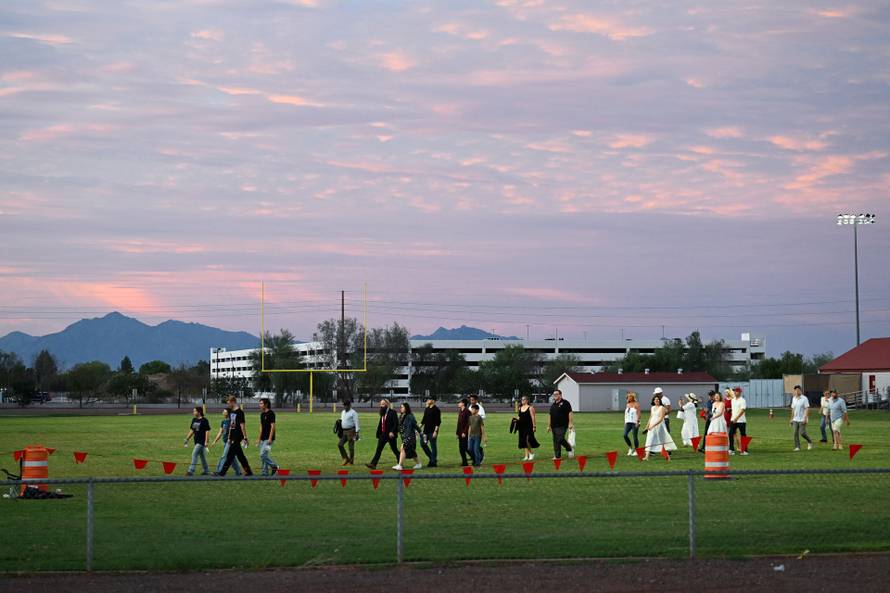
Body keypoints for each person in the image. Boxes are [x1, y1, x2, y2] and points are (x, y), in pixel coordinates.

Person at [214, 395, 254, 476]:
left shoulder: (240, 412)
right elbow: (232, 426)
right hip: (233, 436)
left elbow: (242, 426)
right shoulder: (232, 412)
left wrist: (245, 438)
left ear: (233, 402)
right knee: (240, 456)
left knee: (230, 454)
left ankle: (222, 472)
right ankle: (248, 471)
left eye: (229, 403)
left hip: (238, 436)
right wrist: (229, 437)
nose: (228, 404)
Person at [366, 399, 400, 469]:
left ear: (387, 404)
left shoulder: (393, 412)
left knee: (394, 450)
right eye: (381, 404)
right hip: (383, 435)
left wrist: (392, 432)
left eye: (383, 404)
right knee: (378, 449)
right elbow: (381, 423)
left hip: (391, 435)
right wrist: (379, 433)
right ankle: (373, 464)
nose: (381, 405)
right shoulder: (382, 412)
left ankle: (400, 461)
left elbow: (396, 423)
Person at [643, 394, 676, 460]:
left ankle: (667, 456)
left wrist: (653, 425)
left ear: (659, 400)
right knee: (649, 439)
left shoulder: (662, 408)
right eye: (655, 400)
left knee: (661, 441)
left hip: (659, 426)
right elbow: (651, 417)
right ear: (653, 401)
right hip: (651, 426)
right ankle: (646, 457)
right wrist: (647, 426)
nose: (656, 400)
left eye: (658, 399)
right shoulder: (652, 407)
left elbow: (661, 419)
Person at [210, 407, 241, 476]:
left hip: (230, 442)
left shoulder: (232, 421)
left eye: (224, 411)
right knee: (232, 458)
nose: (223, 412)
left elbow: (235, 431)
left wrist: (232, 440)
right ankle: (238, 472)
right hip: (225, 442)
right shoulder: (223, 422)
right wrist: (215, 441)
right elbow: (220, 432)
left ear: (228, 413)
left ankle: (218, 471)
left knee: (224, 456)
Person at [393, 402, 422, 470]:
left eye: (402, 407)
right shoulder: (400, 416)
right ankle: (418, 464)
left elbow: (415, 426)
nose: (401, 408)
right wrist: (393, 432)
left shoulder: (410, 416)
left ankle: (400, 465)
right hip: (404, 436)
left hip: (410, 436)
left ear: (406, 408)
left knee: (402, 448)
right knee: (411, 451)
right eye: (400, 407)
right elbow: (398, 427)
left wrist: (420, 433)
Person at [547, 389, 574, 460]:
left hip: (562, 425)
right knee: (555, 441)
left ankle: (569, 448)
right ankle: (557, 456)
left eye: (556, 394)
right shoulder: (553, 405)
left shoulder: (565, 403)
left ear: (560, 395)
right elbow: (550, 415)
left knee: (560, 439)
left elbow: (570, 413)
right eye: (554, 394)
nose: (555, 395)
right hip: (554, 426)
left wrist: (570, 423)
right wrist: (549, 426)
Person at [183, 406, 210, 476]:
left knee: (194, 454)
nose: (193, 412)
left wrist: (206, 441)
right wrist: (187, 439)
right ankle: (206, 470)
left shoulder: (204, 420)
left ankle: (191, 471)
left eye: (194, 411)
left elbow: (207, 431)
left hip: (201, 441)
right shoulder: (194, 420)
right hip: (196, 440)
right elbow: (192, 430)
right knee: (202, 456)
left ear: (199, 412)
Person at [256, 398, 279, 476]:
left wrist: (270, 438)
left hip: (268, 438)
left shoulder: (271, 413)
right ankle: (264, 473)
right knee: (264, 455)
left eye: (261, 403)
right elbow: (261, 427)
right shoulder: (262, 414)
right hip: (263, 438)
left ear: (266, 404)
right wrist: (259, 438)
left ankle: (274, 466)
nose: (260, 405)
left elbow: (273, 426)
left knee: (262, 454)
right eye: (260, 403)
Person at [515, 395, 540, 461]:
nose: (522, 400)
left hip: (529, 426)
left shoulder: (530, 408)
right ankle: (526, 456)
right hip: (521, 427)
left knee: (527, 440)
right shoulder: (520, 408)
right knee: (523, 441)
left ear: (527, 400)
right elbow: (519, 417)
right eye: (522, 399)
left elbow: (533, 418)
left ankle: (531, 453)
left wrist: (534, 426)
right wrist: (516, 420)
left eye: (524, 399)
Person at [789, 385, 813, 451]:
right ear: (794, 391)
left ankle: (810, 441)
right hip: (795, 419)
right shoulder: (794, 398)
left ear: (800, 390)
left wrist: (805, 418)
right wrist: (791, 418)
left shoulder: (804, 398)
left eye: (798, 390)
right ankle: (797, 447)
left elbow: (807, 408)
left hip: (802, 418)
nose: (797, 391)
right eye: (796, 390)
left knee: (802, 433)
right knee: (795, 433)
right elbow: (793, 409)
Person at [419, 397, 441, 467]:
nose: (427, 401)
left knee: (433, 446)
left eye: (429, 399)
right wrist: (418, 428)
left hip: (432, 432)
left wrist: (435, 432)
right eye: (427, 400)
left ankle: (433, 462)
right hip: (425, 432)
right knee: (422, 444)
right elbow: (423, 421)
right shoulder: (427, 409)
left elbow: (438, 422)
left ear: (433, 401)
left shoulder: (436, 410)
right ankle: (432, 458)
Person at [338, 399, 360, 466]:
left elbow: (356, 423)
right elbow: (342, 420)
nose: (345, 407)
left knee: (351, 447)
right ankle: (346, 458)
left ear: (349, 405)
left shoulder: (353, 413)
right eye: (344, 405)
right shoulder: (343, 412)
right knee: (340, 444)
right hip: (344, 431)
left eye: (346, 405)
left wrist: (357, 432)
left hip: (351, 431)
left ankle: (351, 461)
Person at [729, 387, 748, 456]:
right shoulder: (733, 400)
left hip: (741, 421)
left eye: (736, 391)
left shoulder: (742, 400)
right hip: (733, 420)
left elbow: (742, 410)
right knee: (730, 434)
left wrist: (736, 418)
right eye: (734, 391)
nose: (735, 392)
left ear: (740, 392)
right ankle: (731, 449)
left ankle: (744, 450)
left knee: (743, 435)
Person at [455, 398, 471, 466]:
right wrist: (457, 433)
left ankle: (476, 458)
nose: (458, 403)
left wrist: (464, 432)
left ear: (463, 404)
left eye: (459, 402)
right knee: (461, 448)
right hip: (460, 433)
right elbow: (458, 423)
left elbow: (468, 423)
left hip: (465, 433)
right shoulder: (460, 411)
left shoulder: (467, 412)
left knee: (465, 448)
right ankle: (464, 462)